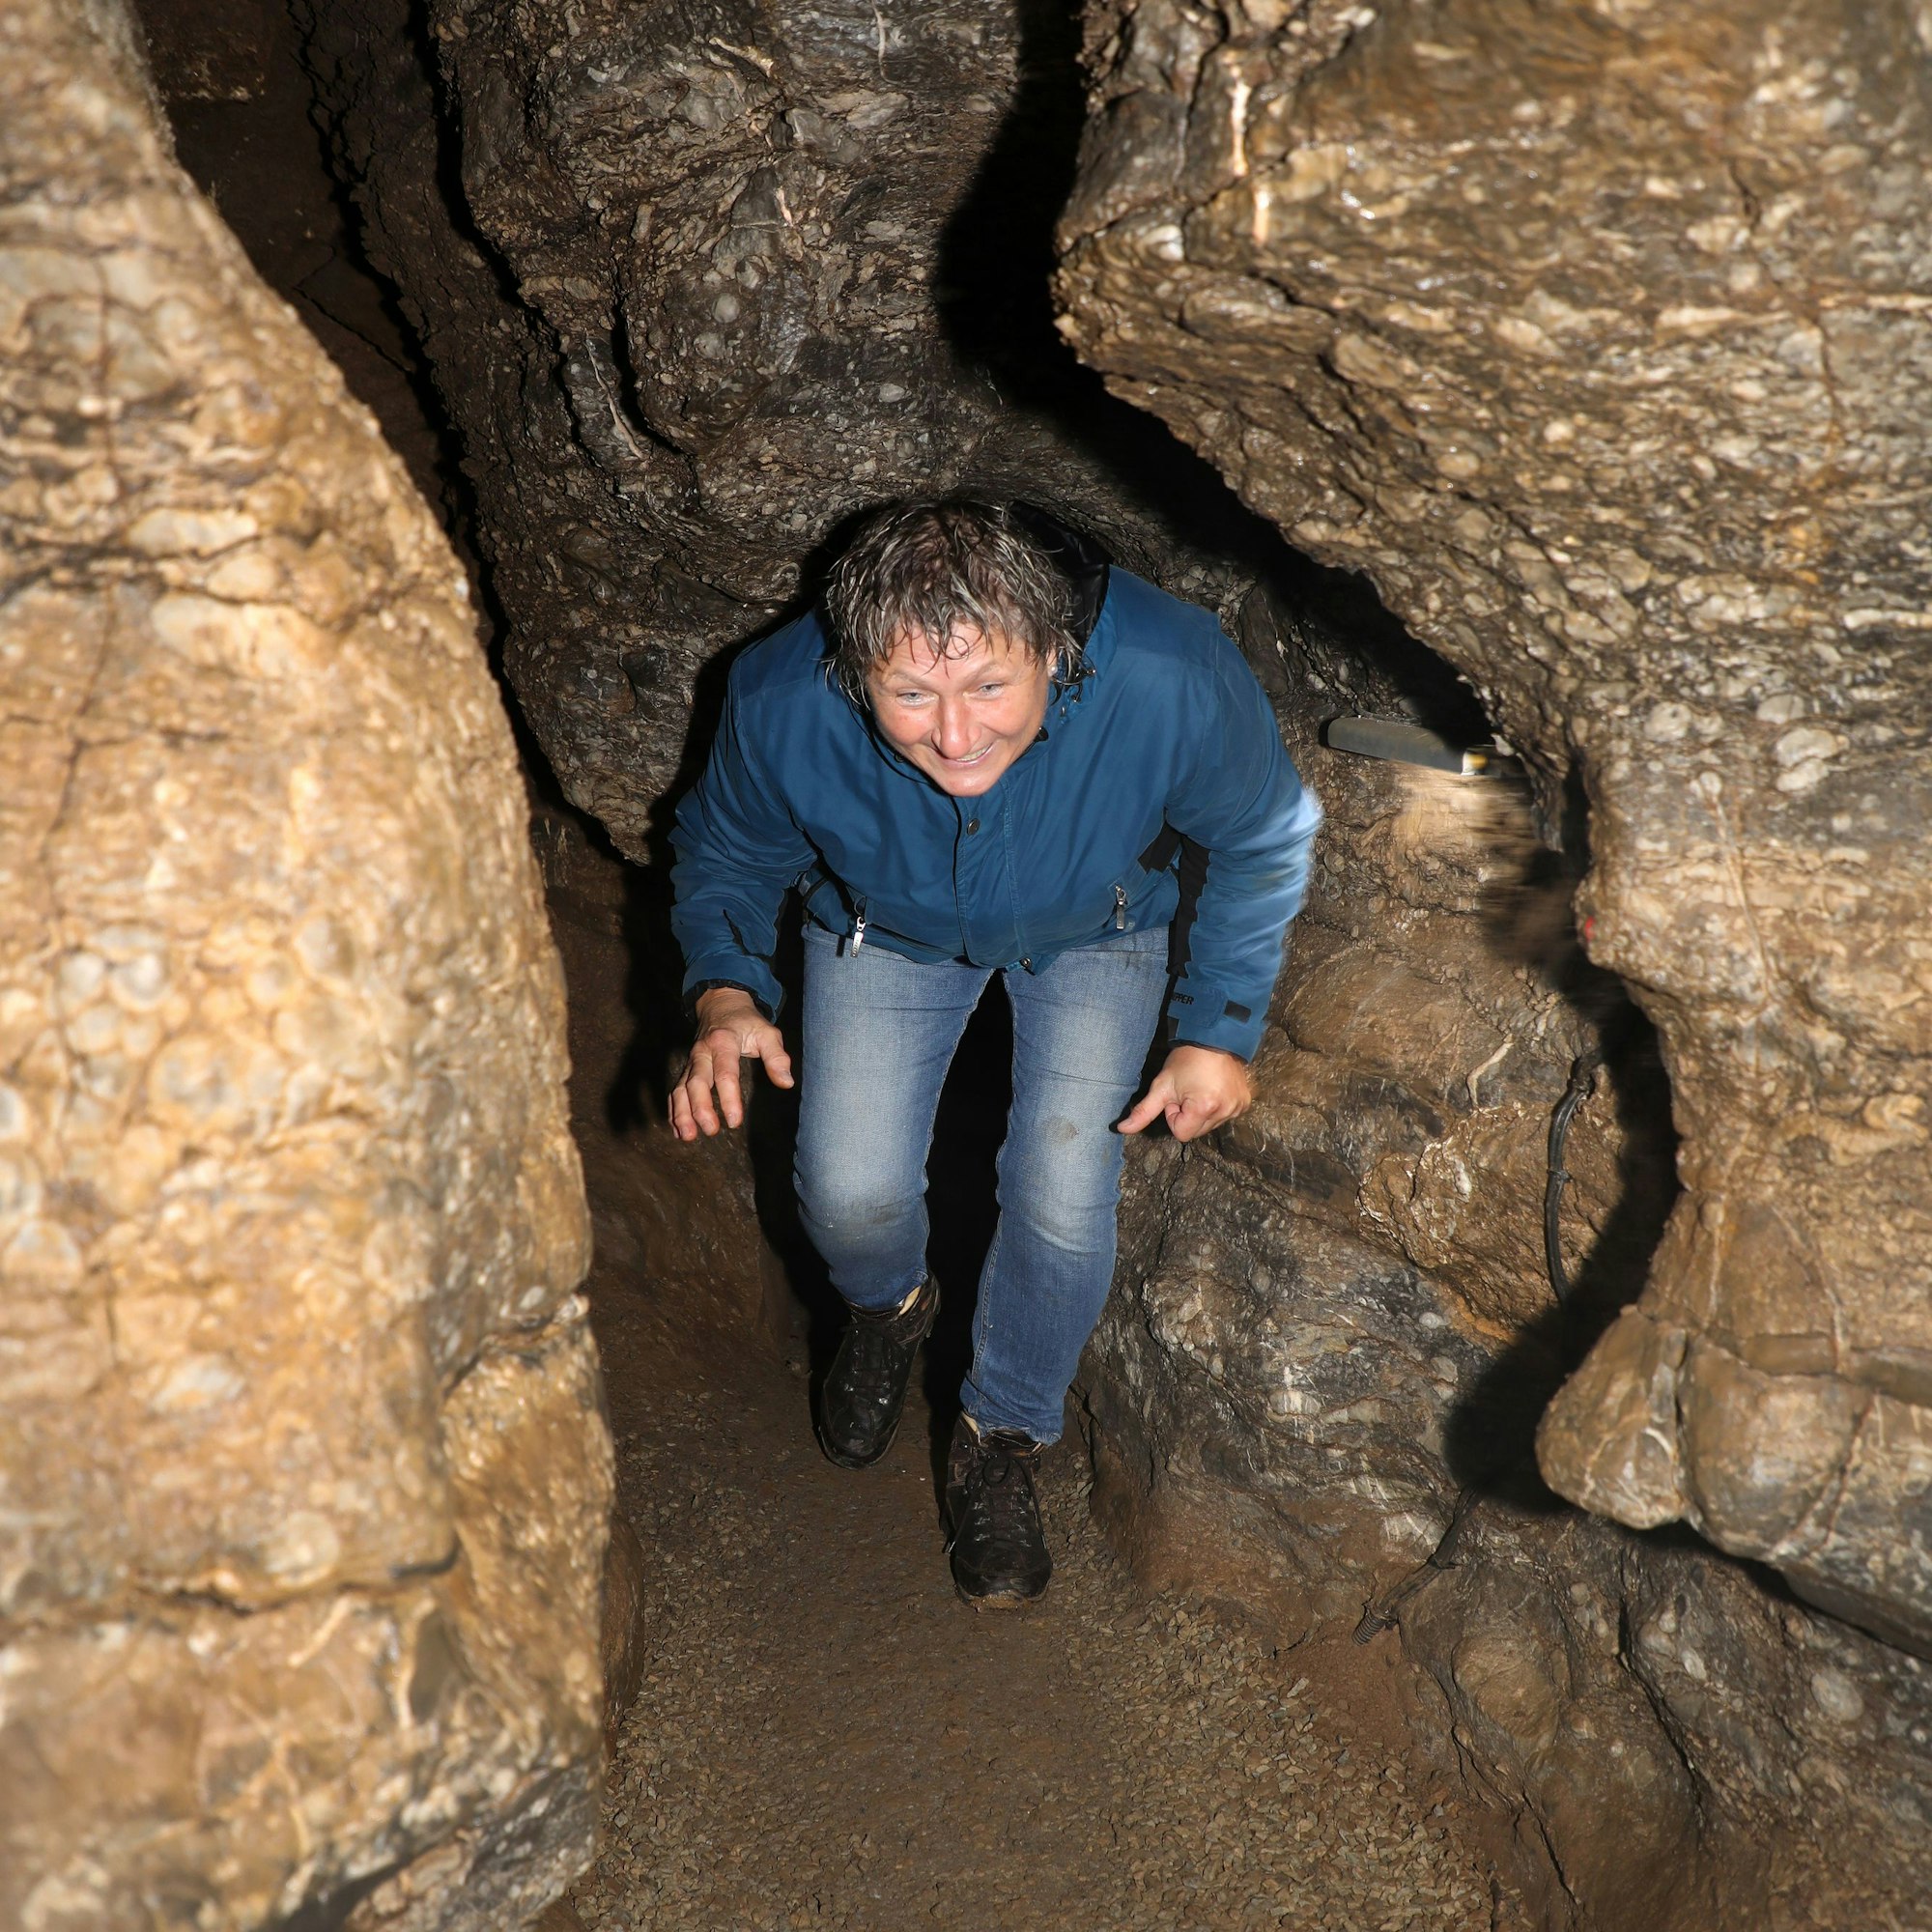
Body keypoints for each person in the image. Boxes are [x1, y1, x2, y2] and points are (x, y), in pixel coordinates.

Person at [668, 500, 1320, 1609]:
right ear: (850, 669)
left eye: (986, 688)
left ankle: (1000, 1432)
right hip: (883, 924)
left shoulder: (1166, 672)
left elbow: (1262, 835)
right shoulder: (781, 695)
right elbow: (726, 848)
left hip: (1098, 924)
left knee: (1063, 1185)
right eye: (908, 696)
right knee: (849, 1188)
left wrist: (1216, 1024)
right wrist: (726, 993)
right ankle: (886, 1310)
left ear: (1056, 651)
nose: (953, 735)